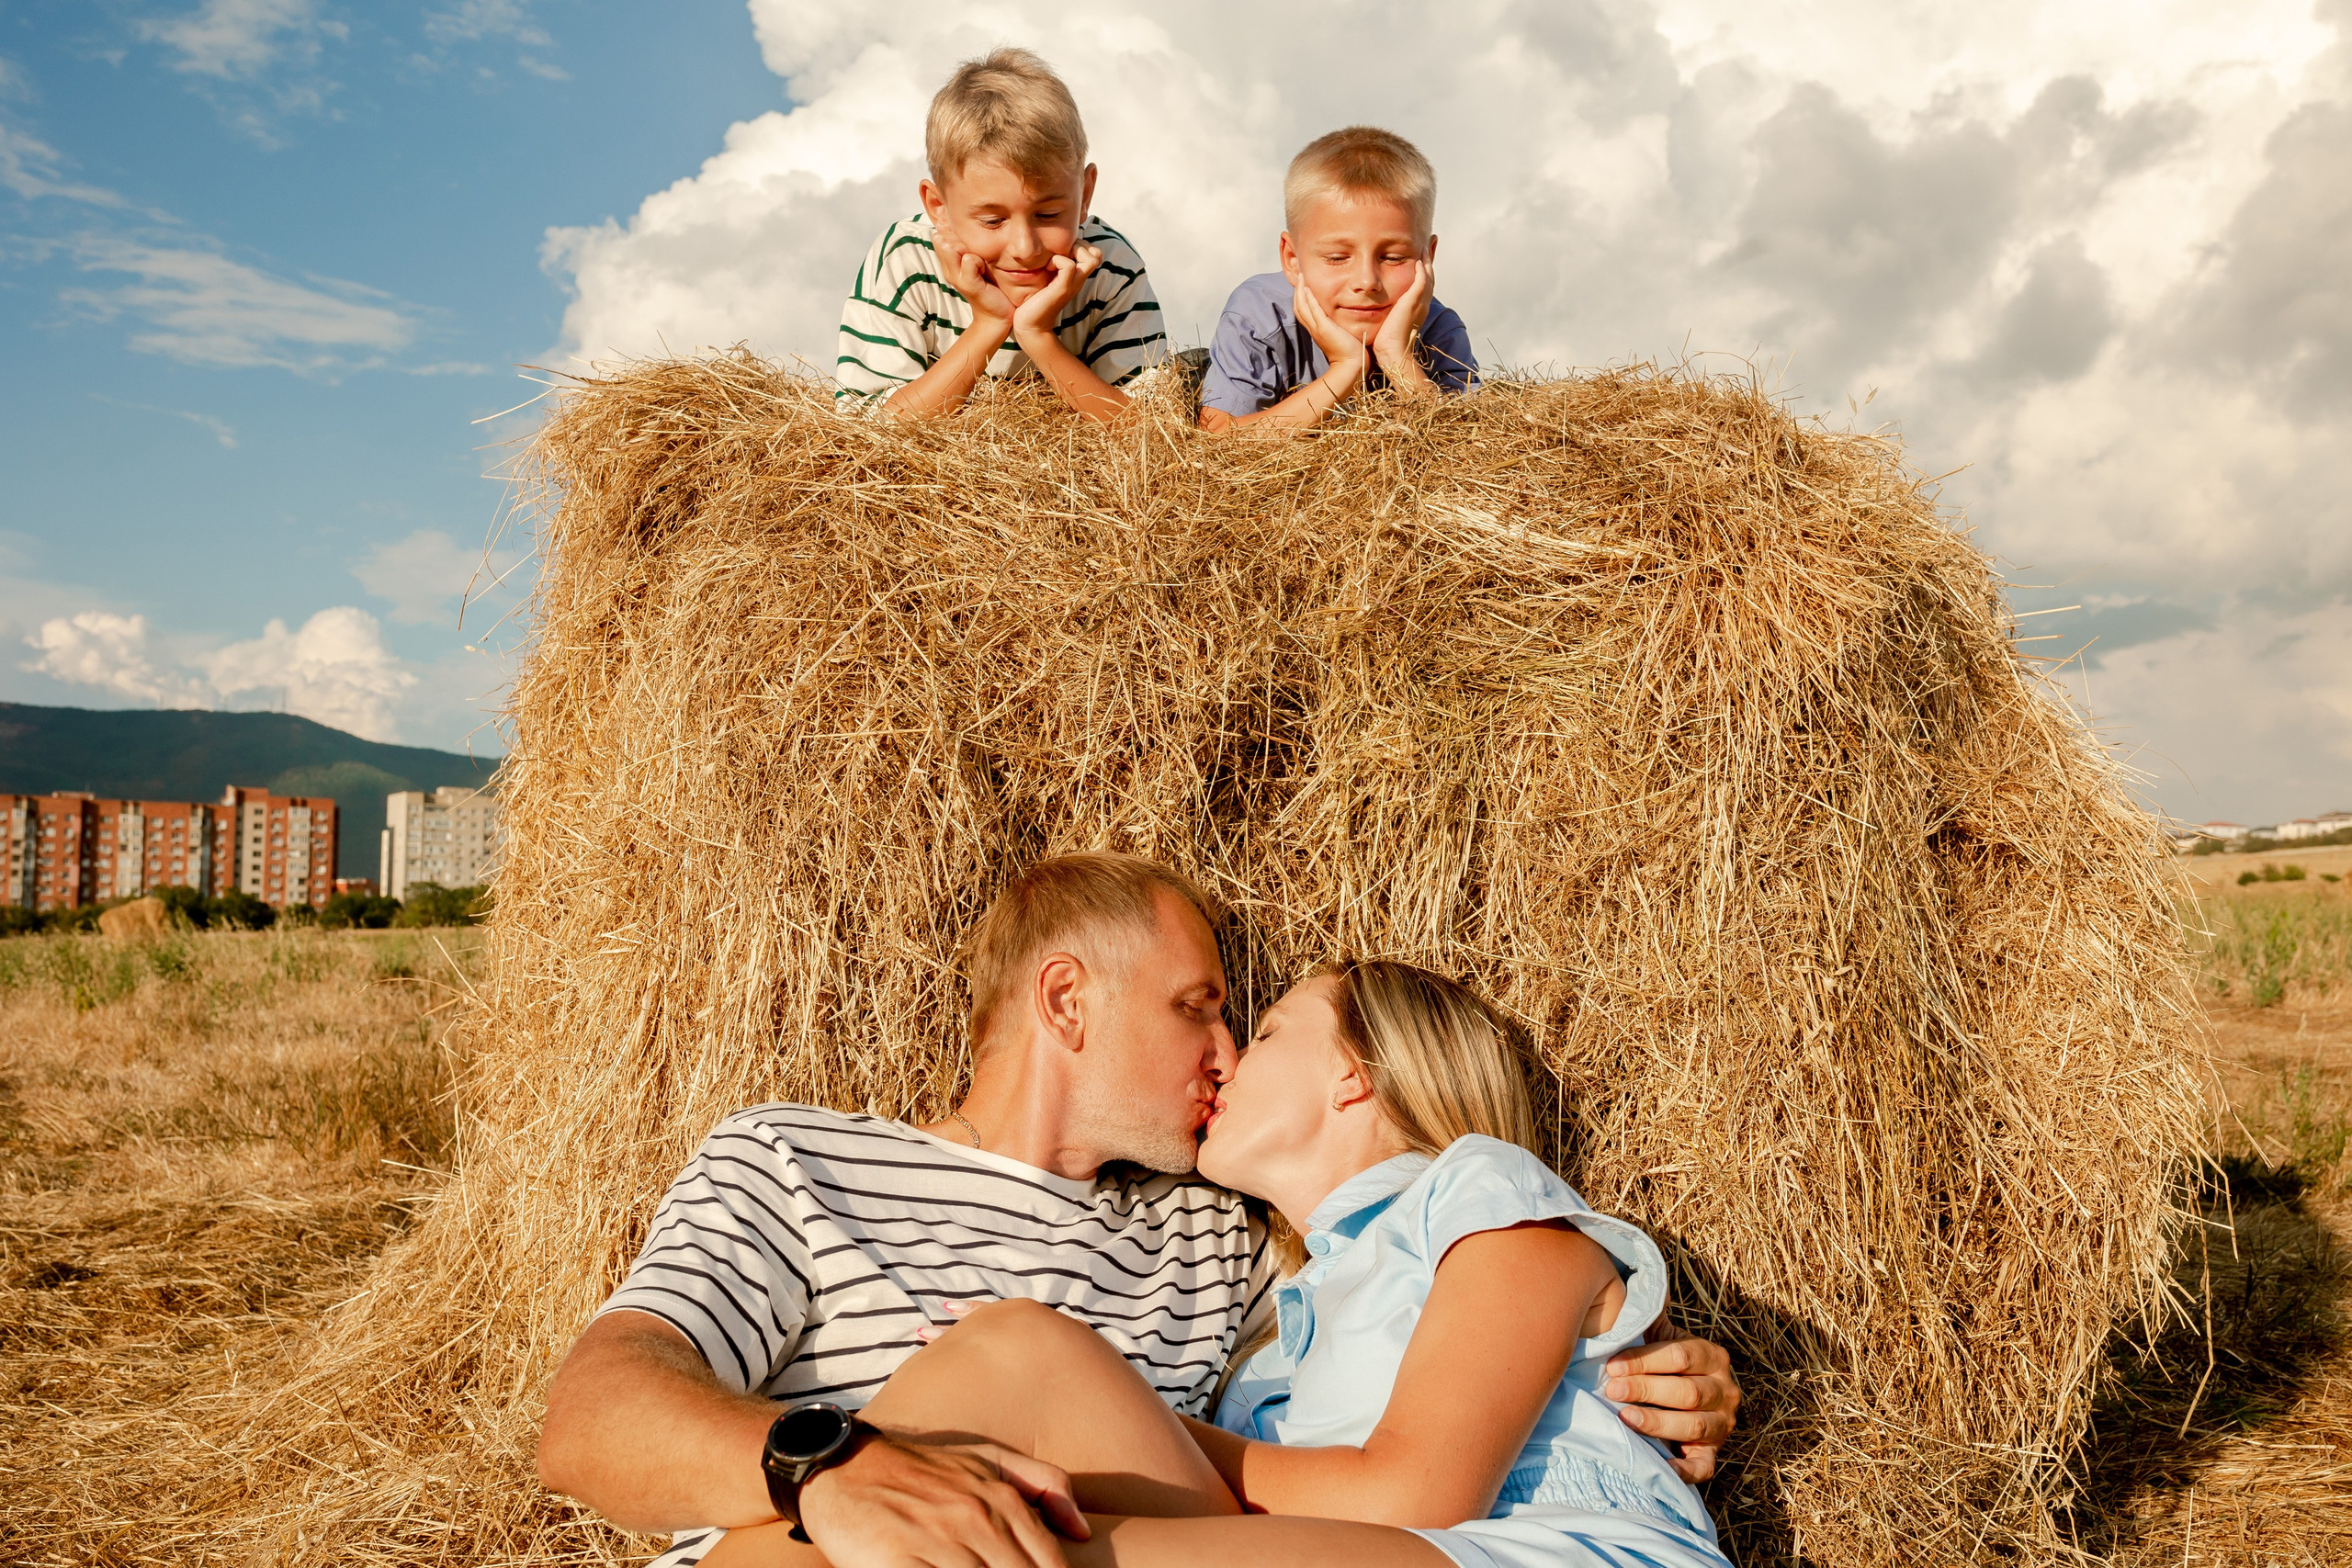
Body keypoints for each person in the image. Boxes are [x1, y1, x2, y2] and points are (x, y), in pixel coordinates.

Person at [537, 853, 1741, 1568]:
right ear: (1067, 1000)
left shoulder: (1232, 1245)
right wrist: (827, 1467)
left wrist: (1633, 1369)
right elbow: (590, 1420)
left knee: (1021, 1353)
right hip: (827, 1543)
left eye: (1248, 1026)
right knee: (1012, 1351)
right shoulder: (797, 1157)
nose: (1222, 1050)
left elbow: (1427, 1359)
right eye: (1197, 1006)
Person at [834, 50, 1167, 423]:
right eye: (993, 221)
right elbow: (867, 430)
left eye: (1048, 215)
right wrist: (988, 325)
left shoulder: (1111, 269)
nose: (1025, 248)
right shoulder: (906, 262)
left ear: (1085, 193)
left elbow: (1148, 434)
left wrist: (1039, 336)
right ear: (938, 208)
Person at [1199, 128, 1477, 434]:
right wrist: (1346, 368)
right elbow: (1218, 437)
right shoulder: (1258, 317)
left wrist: (1397, 356)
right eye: (1336, 258)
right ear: (1292, 260)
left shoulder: (1441, 330)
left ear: (1428, 257)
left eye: (1394, 257)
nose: (1367, 281)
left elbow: (1469, 447)